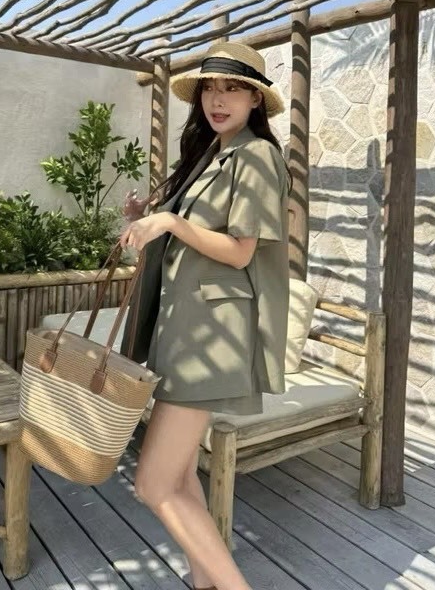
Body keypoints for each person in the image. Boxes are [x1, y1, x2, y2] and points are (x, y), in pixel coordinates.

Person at [119, 41, 290, 590]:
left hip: (210, 338)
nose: (218, 100)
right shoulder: (211, 156)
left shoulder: (257, 157)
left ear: (255, 100)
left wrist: (170, 223)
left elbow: (240, 251)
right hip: (182, 331)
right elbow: (190, 241)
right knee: (178, 477)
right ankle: (205, 583)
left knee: (152, 485)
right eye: (211, 89)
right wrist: (148, 217)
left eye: (232, 89)